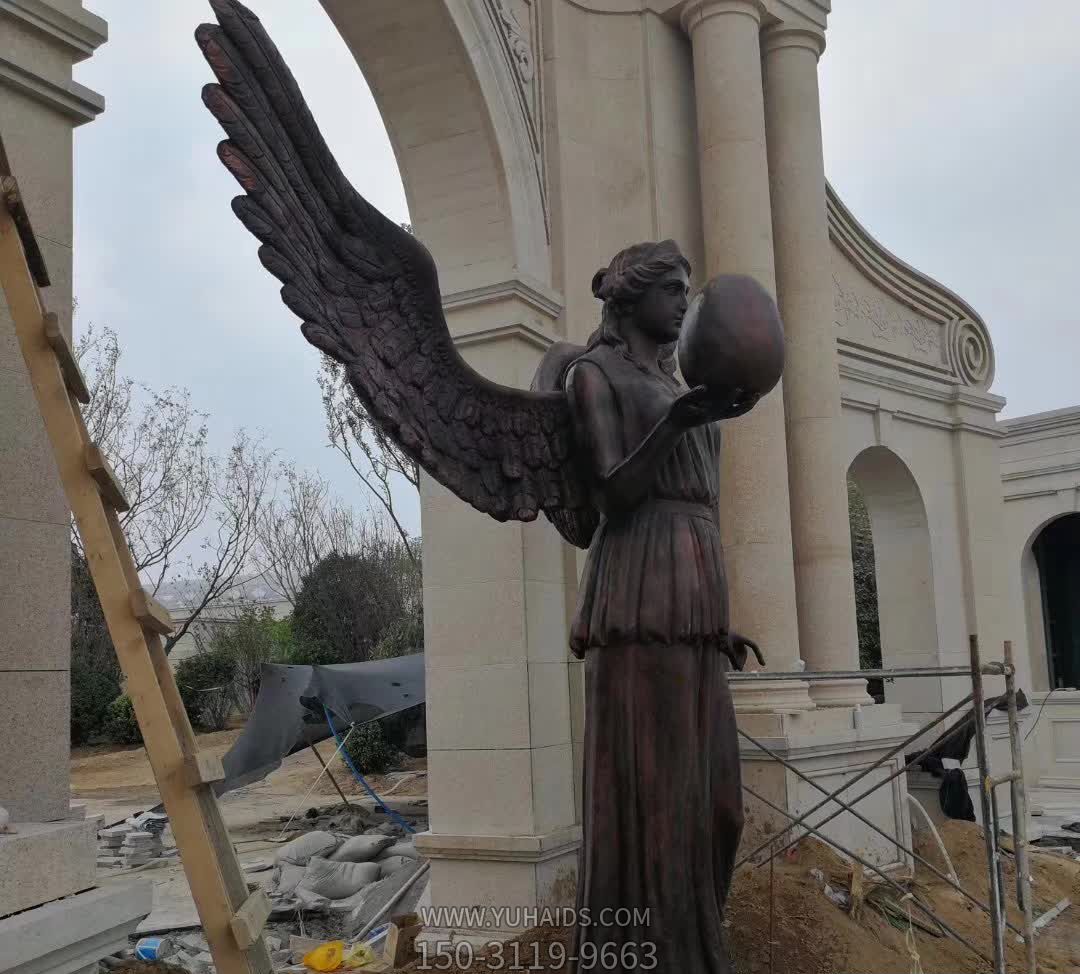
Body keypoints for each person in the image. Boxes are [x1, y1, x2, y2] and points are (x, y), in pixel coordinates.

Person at [565, 240, 760, 974]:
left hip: (694, 598)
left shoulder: (680, 384)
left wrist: (717, 626)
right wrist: (674, 421)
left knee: (719, 807)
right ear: (632, 296)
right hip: (639, 590)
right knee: (658, 799)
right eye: (673, 288)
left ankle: (693, 947)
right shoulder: (594, 374)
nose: (685, 301)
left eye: (687, 289)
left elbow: (702, 501)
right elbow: (612, 494)